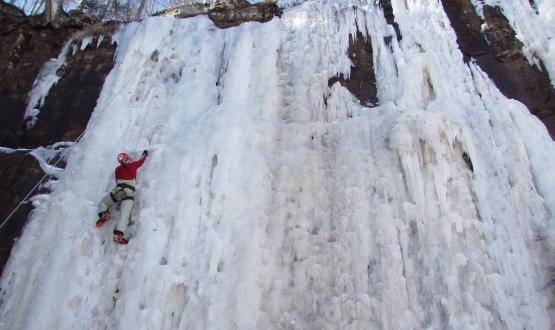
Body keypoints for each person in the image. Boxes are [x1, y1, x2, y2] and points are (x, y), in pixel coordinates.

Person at [96, 150, 148, 244]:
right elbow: (141, 161)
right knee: (125, 215)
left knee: (104, 203)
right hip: (129, 194)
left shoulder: (117, 169)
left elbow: (117, 181)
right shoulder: (132, 165)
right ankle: (118, 235)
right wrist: (145, 154)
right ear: (127, 159)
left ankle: (103, 214)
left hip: (118, 191)